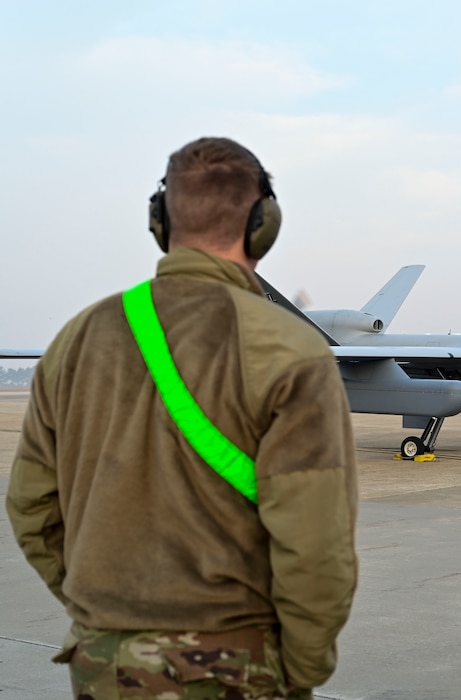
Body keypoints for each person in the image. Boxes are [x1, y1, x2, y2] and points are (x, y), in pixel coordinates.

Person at [6, 137, 358, 699]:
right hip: (236, 667)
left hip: (103, 664)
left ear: (160, 222)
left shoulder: (76, 338)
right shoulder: (289, 349)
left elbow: (30, 506)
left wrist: (105, 613)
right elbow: (315, 545)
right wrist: (299, 670)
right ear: (263, 223)